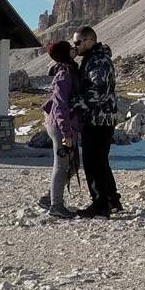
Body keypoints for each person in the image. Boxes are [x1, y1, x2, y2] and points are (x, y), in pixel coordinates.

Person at [72, 26, 121, 218]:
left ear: (89, 41)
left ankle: (100, 205)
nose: (75, 47)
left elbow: (98, 90)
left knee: (93, 162)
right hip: (100, 118)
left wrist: (75, 103)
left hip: (98, 119)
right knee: (101, 161)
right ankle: (112, 200)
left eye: (78, 42)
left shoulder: (98, 61)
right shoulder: (93, 59)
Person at [40, 40, 81, 219]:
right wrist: (67, 132)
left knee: (73, 164)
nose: (74, 49)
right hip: (61, 126)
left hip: (64, 125)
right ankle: (56, 205)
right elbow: (59, 106)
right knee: (62, 164)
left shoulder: (70, 70)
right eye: (70, 48)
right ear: (65, 53)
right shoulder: (64, 74)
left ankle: (50, 198)